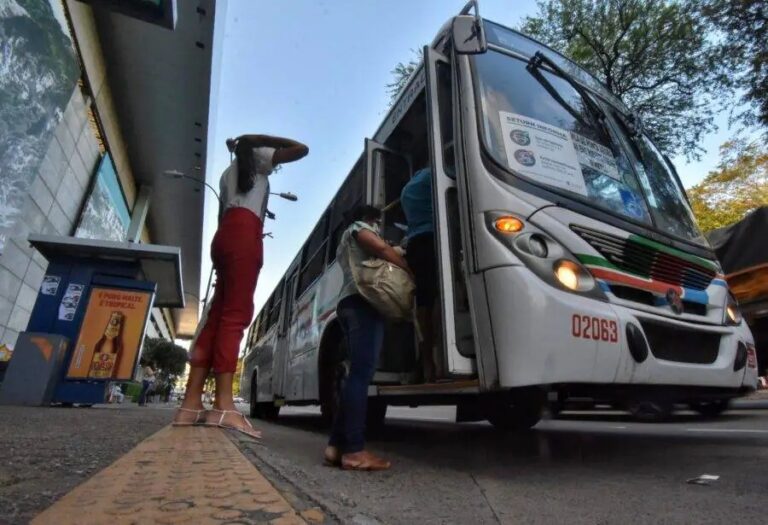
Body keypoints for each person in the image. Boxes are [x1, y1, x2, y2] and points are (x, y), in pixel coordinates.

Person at [173, 134, 308, 438]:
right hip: (245, 235)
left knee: (216, 318)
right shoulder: (259, 158)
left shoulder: (227, 174)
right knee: (235, 317)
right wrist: (258, 138)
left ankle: (190, 405)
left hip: (223, 237)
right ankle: (223, 406)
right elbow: (301, 149)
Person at [324, 205, 411, 471]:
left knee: (356, 375)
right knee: (361, 376)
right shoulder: (359, 229)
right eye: (376, 220)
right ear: (368, 218)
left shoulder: (345, 240)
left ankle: (336, 447)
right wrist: (408, 268)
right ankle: (354, 451)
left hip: (349, 304)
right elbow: (382, 250)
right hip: (362, 304)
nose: (378, 225)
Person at [400, 167, 439, 383]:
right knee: (437, 298)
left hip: (415, 244)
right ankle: (431, 360)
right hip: (432, 238)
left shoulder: (407, 189)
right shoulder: (432, 175)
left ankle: (424, 359)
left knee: (424, 301)